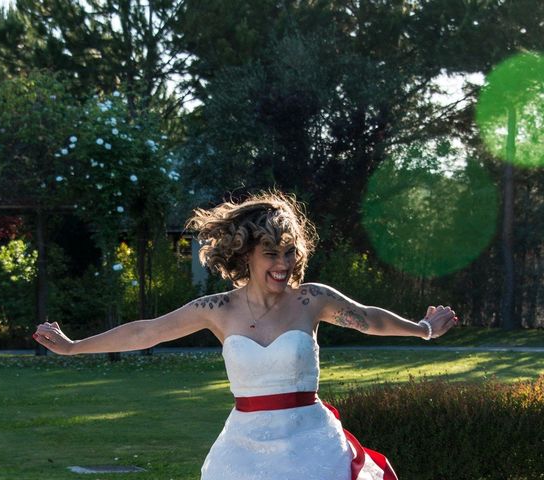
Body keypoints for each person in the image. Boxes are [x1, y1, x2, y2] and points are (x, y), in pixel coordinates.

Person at [33, 190, 458, 480]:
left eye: (290, 252)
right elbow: (147, 331)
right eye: (271, 254)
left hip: (311, 444)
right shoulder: (217, 310)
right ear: (246, 255)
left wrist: (422, 330)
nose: (283, 264)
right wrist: (74, 347)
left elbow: (367, 318)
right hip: (243, 446)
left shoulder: (311, 300)